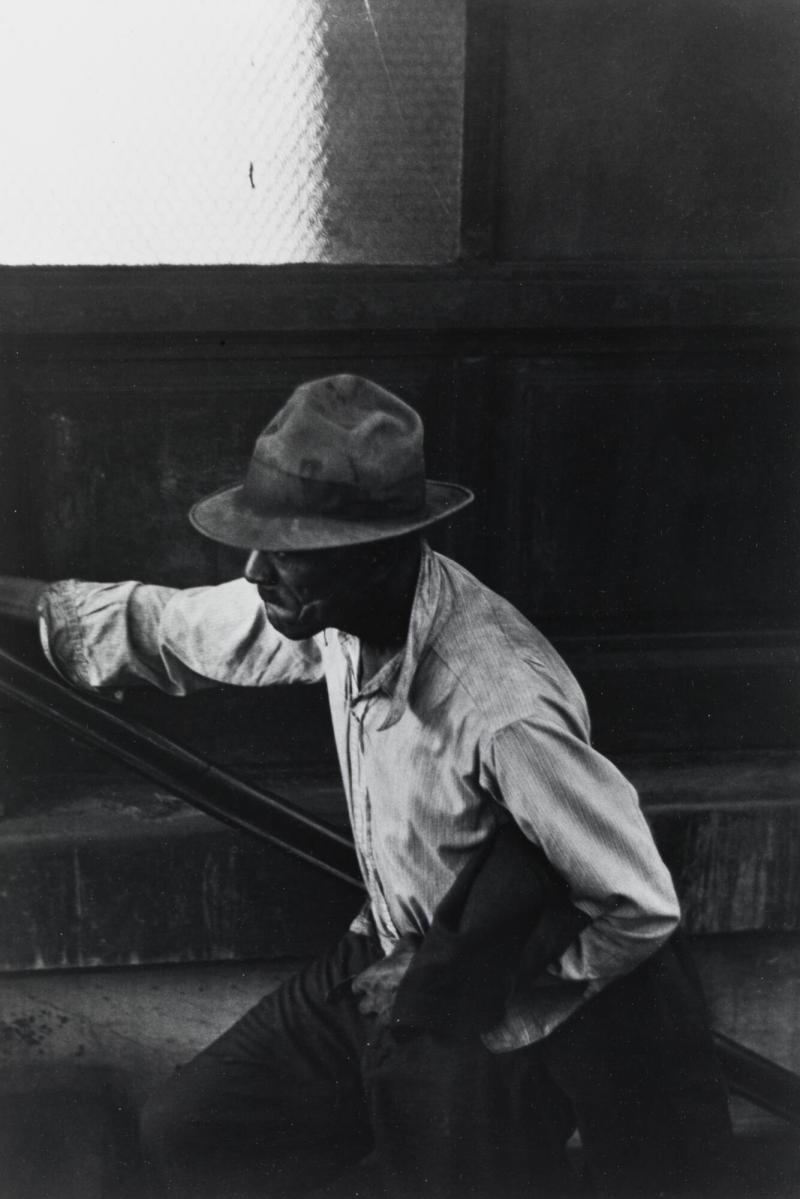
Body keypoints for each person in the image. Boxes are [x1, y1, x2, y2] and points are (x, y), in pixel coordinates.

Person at [0, 375, 732, 1199]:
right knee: (194, 1129)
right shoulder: (336, 614)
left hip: (474, 995)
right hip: (378, 947)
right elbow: (170, 626)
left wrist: (496, 1003)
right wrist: (13, 601)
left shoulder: (500, 704)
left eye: (283, 548)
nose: (255, 571)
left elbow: (637, 903)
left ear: (374, 550)